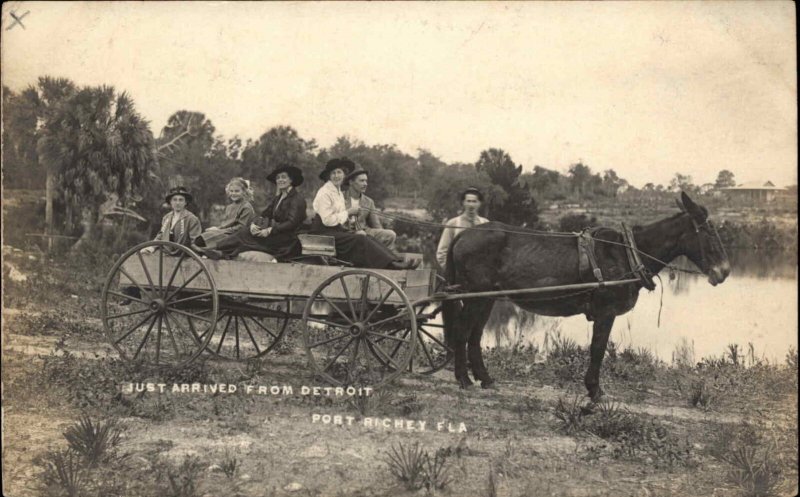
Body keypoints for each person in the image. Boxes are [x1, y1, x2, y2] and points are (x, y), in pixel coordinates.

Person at [311, 158, 417, 270]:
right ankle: (391, 265)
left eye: (339, 172)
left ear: (344, 175)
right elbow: (327, 220)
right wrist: (348, 212)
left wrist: (353, 224)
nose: (336, 176)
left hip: (335, 231)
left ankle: (394, 260)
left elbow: (341, 217)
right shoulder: (325, 193)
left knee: (366, 236)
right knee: (360, 239)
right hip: (323, 233)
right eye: (333, 173)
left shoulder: (337, 192)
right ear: (328, 176)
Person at [202, 165, 307, 261]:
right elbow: (265, 214)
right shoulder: (278, 198)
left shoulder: (297, 199)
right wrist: (254, 224)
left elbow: (292, 222)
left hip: (287, 239)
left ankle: (220, 251)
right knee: (247, 231)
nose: (280, 180)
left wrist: (270, 230)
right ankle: (218, 250)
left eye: (283, 177)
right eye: (278, 178)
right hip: (277, 234)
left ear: (291, 179)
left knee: (245, 235)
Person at [436, 187, 490, 270]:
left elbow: (491, 251)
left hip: (481, 275)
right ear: (463, 203)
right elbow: (442, 252)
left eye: (474, 201)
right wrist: (450, 272)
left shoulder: (486, 223)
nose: (471, 205)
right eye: (468, 201)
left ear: (479, 203)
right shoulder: (453, 223)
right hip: (458, 275)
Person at [193, 177, 255, 250]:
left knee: (202, 241)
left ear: (244, 192)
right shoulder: (229, 207)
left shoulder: (246, 207)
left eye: (237, 191)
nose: (233, 193)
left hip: (238, 235)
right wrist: (217, 228)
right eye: (231, 191)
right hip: (227, 232)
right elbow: (226, 224)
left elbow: (241, 228)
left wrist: (219, 231)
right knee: (201, 238)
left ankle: (213, 252)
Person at [343, 167, 396, 248]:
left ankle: (383, 258)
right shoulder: (339, 198)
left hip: (365, 232)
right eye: (361, 181)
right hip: (346, 233)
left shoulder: (369, 201)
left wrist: (381, 235)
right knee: (361, 236)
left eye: (366, 181)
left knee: (390, 234)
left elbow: (376, 225)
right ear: (351, 182)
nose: (365, 184)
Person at [148, 186, 203, 255]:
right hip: (167, 254)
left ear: (185, 202)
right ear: (170, 202)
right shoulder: (166, 218)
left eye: (181, 200)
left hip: (184, 256)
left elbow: (195, 241)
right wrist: (151, 248)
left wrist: (200, 253)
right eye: (174, 200)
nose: (177, 203)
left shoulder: (192, 219)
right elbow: (161, 236)